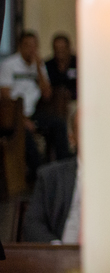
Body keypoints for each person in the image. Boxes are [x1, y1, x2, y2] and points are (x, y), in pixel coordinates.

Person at [1, 31, 69, 177]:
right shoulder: (9, 65)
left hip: (33, 111)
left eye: (34, 46)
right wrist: (22, 119)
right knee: (24, 134)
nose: (31, 49)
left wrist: (38, 68)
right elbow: (6, 97)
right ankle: (38, 172)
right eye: (27, 45)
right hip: (14, 114)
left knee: (58, 123)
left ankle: (64, 168)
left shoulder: (39, 65)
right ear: (20, 46)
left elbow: (47, 94)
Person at [22, 109, 80, 243]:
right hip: (60, 254)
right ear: (72, 139)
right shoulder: (50, 176)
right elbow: (32, 224)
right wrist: (55, 250)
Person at [45, 33, 77, 102]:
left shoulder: (78, 63)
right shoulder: (48, 65)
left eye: (62, 48)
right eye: (57, 48)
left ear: (68, 48)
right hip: (54, 104)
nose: (60, 51)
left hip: (76, 101)